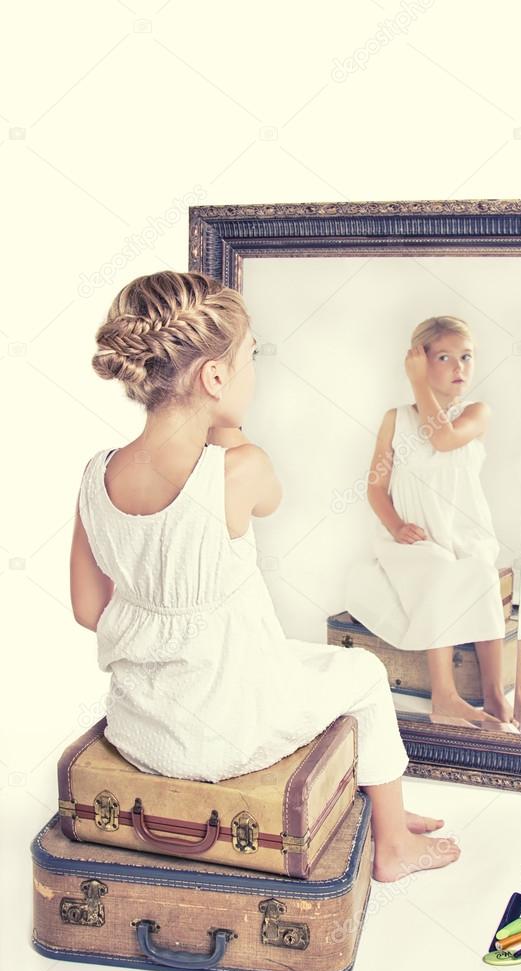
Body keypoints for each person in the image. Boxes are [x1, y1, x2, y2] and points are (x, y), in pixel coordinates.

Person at [69, 270, 460, 883]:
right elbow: (271, 502)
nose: (254, 374)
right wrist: (225, 426)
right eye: (249, 359)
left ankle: (386, 812)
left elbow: (89, 610)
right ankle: (393, 844)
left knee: (296, 662)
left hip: (140, 731)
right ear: (215, 378)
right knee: (361, 672)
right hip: (225, 733)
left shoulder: (97, 475)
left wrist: (158, 603)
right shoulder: (241, 467)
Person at [343, 315, 519, 730]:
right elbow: (375, 487)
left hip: (464, 536)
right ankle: (446, 696)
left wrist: (421, 383)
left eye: (466, 357)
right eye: (444, 357)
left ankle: (495, 696)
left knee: (479, 574)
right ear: (418, 361)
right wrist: (396, 526)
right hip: (413, 541)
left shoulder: (476, 413)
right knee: (438, 570)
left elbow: (442, 438)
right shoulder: (396, 418)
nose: (459, 367)